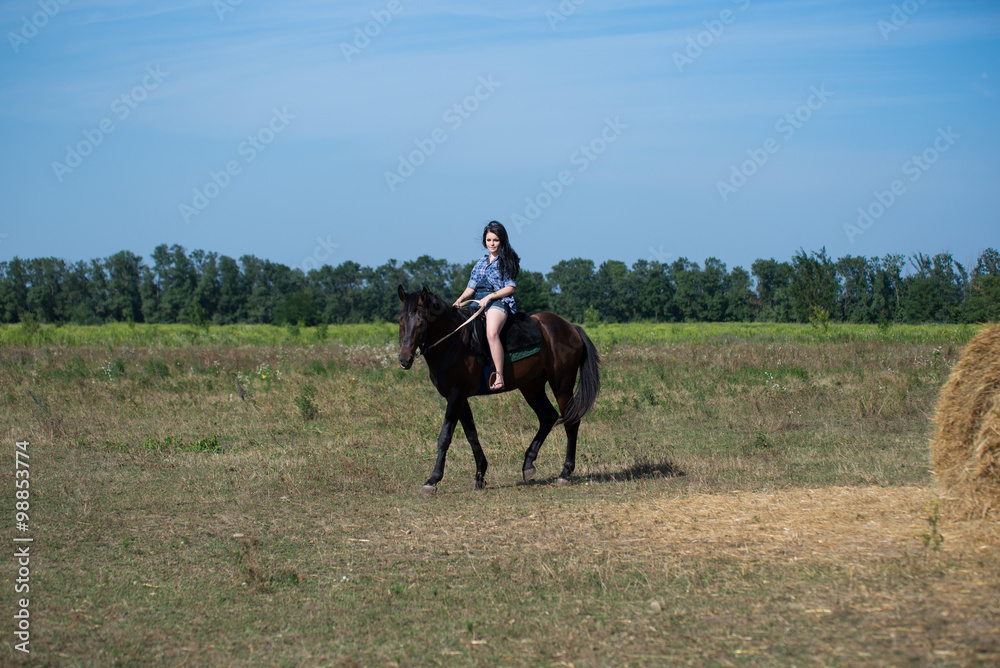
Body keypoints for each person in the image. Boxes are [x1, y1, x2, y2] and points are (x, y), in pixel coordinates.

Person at [453, 221, 520, 391]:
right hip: (478, 301)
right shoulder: (480, 263)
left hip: (499, 301)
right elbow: (471, 287)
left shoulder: (508, 260)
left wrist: (491, 296)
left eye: (496, 240)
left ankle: (499, 374)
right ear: (485, 241)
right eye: (489, 240)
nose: (492, 243)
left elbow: (510, 287)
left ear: (501, 241)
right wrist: (459, 300)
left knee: (491, 332)